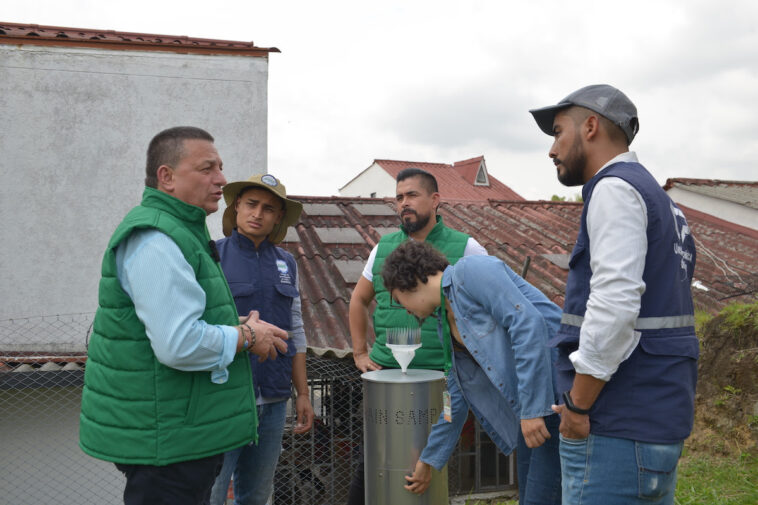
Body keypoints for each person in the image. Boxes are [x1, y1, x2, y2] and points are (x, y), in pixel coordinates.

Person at [79, 126, 289, 505]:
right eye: (207, 168)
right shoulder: (156, 239)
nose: (221, 179)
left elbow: (180, 320)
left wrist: (238, 326)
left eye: (220, 167)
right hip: (168, 438)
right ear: (167, 177)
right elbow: (178, 344)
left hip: (178, 430)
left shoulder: (181, 232)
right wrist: (246, 337)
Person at [529, 84, 698, 505]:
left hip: (615, 427)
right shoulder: (661, 202)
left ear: (590, 126)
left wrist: (578, 407)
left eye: (557, 132)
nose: (552, 149)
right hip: (657, 422)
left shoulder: (614, 189)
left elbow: (615, 304)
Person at [381, 240, 562, 505]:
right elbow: (454, 400)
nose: (405, 310)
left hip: (556, 397)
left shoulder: (470, 272)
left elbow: (528, 323)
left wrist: (534, 409)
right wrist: (429, 459)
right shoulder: (446, 327)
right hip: (531, 413)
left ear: (407, 280)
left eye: (398, 300)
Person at [347, 167, 488, 505]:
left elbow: (488, 307)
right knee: (377, 465)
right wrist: (359, 352)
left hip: (442, 380)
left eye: (411, 195)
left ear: (435, 200)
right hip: (386, 377)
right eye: (398, 198)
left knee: (430, 468)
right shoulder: (383, 247)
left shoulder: (466, 247)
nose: (403, 203)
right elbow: (358, 300)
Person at [209, 174, 315, 505]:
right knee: (210, 495)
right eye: (251, 204)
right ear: (236, 206)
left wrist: (303, 393)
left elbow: (295, 329)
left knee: (255, 497)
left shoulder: (287, 262)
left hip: (273, 403)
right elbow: (200, 324)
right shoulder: (211, 256)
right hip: (224, 400)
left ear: (278, 218)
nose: (258, 214)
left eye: (269, 208)